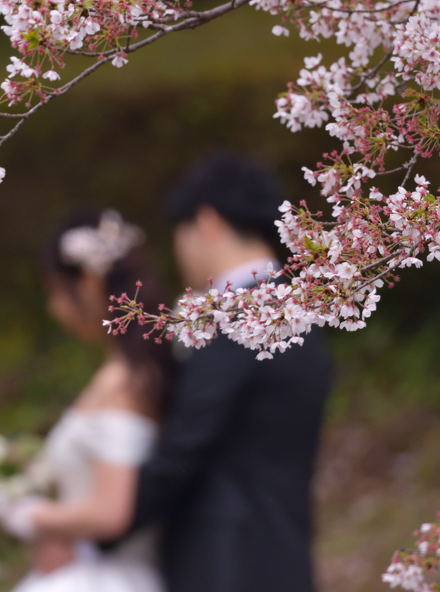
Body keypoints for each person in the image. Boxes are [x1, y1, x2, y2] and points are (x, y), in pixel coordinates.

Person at [123, 154, 334, 592]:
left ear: (207, 221)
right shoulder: (301, 317)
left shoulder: (239, 323)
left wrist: (101, 526)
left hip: (225, 564)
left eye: (179, 235)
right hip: (284, 554)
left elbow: (184, 447)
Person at [1, 208, 175, 592]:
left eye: (56, 293)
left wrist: (30, 516)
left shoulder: (123, 385)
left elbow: (113, 511)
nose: (55, 310)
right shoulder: (126, 375)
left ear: (91, 284)